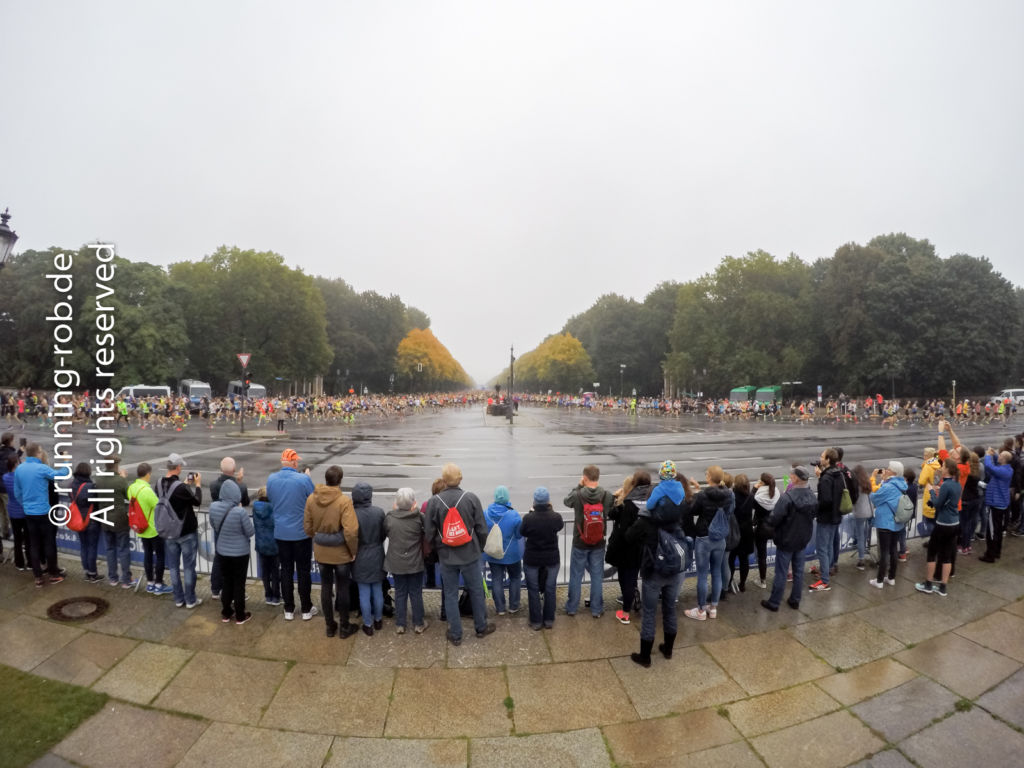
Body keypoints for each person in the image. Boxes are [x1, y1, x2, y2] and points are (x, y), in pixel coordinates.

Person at [424, 463, 494, 646]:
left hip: (447, 556)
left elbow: (429, 533)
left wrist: (437, 548)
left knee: (450, 593)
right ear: (460, 479)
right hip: (470, 554)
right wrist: (479, 548)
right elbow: (481, 528)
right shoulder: (471, 498)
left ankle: (455, 633)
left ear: (444, 480)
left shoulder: (434, 502)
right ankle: (481, 627)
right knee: (477, 591)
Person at [626, 472, 687, 667]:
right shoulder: (676, 518)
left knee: (649, 613)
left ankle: (645, 656)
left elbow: (629, 537)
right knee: (670, 609)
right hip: (674, 571)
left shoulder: (647, 520)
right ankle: (668, 649)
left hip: (653, 571)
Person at [303, 465, 359, 638]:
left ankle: (329, 626)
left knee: (325, 588)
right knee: (342, 589)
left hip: (321, 552)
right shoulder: (344, 501)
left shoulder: (312, 499)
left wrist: (318, 537)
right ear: (340, 480)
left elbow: (307, 526)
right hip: (340, 553)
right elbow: (350, 531)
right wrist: (353, 550)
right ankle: (344, 626)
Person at [266, 448, 317, 621]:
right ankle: (306, 608)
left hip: (281, 533)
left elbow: (272, 500)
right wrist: (308, 478)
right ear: (294, 462)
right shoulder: (303, 479)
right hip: (301, 534)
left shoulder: (271, 479)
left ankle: (288, 608)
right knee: (303, 571)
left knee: (286, 570)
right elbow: (314, 500)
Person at [760, 466, 817, 611]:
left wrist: (767, 525)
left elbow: (774, 518)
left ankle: (774, 602)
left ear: (796, 478)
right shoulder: (811, 495)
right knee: (798, 572)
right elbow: (814, 513)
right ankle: (795, 600)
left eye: (791, 475)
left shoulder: (788, 498)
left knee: (781, 572)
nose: (790, 477)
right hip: (802, 539)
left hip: (786, 539)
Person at [563, 464, 614, 618]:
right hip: (598, 542)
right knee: (597, 576)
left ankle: (572, 608)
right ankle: (596, 609)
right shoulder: (606, 495)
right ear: (597, 477)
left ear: (584, 478)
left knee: (576, 575)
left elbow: (566, 501)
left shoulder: (578, 495)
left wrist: (578, 486)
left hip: (580, 541)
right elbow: (612, 505)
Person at [684, 465, 732, 620]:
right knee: (716, 572)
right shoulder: (729, 494)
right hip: (720, 537)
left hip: (704, 536)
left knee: (703, 575)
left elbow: (693, 510)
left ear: (709, 478)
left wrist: (697, 494)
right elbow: (730, 511)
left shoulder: (704, 495)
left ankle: (700, 610)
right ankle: (714, 608)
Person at [13, 443, 65, 586]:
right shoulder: (42, 468)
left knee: (34, 544)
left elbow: (17, 492)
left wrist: (25, 504)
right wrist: (65, 461)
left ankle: (38, 577)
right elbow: (61, 475)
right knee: (48, 542)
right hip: (43, 511)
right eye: (41, 451)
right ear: (38, 453)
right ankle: (53, 573)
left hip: (29, 512)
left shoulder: (20, 469)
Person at [606, 469, 652, 624]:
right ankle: (630, 597)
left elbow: (622, 528)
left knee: (627, 578)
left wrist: (617, 498)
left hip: (627, 548)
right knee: (631, 576)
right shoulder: (650, 501)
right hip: (643, 546)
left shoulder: (629, 505)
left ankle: (625, 611)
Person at [159, 454, 203, 607]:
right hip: (185, 531)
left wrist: (183, 485)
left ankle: (178, 599)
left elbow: (171, 497)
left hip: (168, 531)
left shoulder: (158, 483)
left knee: (173, 567)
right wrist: (197, 485)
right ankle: (190, 599)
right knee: (189, 567)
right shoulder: (181, 488)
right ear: (178, 467)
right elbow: (197, 501)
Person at [209, 479, 254, 623]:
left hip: (222, 551)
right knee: (239, 584)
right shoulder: (239, 512)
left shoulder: (213, 507)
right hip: (240, 553)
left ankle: (226, 612)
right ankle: (240, 615)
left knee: (227, 581)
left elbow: (214, 525)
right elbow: (250, 531)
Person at [519, 487, 564, 630]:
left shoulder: (528, 518)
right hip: (551, 558)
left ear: (535, 502)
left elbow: (522, 532)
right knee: (550, 588)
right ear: (548, 501)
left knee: (533, 589)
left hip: (532, 558)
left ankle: (536, 621)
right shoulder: (555, 517)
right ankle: (549, 619)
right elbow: (559, 526)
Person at [915, 458, 961, 595]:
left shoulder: (946, 485)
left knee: (932, 553)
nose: (941, 468)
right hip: (954, 523)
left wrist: (931, 492)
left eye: (943, 466)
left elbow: (937, 504)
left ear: (947, 469)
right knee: (946, 555)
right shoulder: (956, 484)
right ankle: (943, 587)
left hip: (943, 524)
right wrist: (939, 491)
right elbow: (949, 499)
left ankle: (928, 584)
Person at [384, 487, 427, 634]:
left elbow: (385, 533)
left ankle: (400, 624)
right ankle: (418, 623)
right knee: (416, 592)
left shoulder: (390, 518)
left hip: (397, 562)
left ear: (396, 503)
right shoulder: (419, 518)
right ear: (413, 503)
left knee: (400, 592)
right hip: (415, 561)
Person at [208, 457, 250, 600]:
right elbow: (245, 502)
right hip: (235, 527)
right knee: (235, 563)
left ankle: (215, 588)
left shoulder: (213, 485)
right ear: (234, 470)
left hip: (219, 524)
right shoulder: (240, 486)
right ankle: (236, 593)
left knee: (219, 557)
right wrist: (239, 483)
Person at [128, 463, 173, 595]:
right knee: (160, 556)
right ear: (148, 474)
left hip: (141, 528)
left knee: (147, 555)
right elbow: (158, 505)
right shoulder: (147, 491)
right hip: (153, 528)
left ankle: (150, 583)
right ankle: (159, 585)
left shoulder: (131, 488)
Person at [481, 486, 524, 616]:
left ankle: (500, 608)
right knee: (515, 578)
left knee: (496, 579)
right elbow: (518, 535)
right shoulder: (513, 514)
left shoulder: (486, 513)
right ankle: (513, 606)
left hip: (493, 553)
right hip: (511, 554)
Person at [351, 482, 387, 636]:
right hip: (377, 553)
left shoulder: (352, 513)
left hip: (360, 555)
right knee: (377, 590)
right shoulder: (379, 512)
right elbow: (384, 533)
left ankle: (368, 624)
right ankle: (378, 620)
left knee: (364, 592)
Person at [94, 455, 133, 588]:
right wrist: (123, 478)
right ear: (116, 465)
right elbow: (129, 496)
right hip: (119, 519)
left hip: (104, 519)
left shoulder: (98, 479)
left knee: (110, 549)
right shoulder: (119, 481)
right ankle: (126, 579)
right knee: (123, 549)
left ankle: (113, 578)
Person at [810, 448, 844, 592]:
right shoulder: (839, 474)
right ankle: (827, 572)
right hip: (836, 516)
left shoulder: (826, 478)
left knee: (822, 549)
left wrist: (815, 509)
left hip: (826, 517)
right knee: (829, 546)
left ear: (828, 460)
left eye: (822, 456)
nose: (820, 458)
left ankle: (824, 580)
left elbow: (825, 500)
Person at [869, 462, 908, 588]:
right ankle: (891, 577)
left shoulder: (889, 486)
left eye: (888, 469)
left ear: (893, 472)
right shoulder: (901, 484)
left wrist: (873, 479)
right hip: (897, 522)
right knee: (893, 550)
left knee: (884, 552)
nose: (885, 470)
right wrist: (884, 481)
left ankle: (879, 580)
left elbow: (874, 498)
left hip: (885, 522)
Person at [978, 449, 1014, 563]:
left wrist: (988, 455)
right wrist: (995, 454)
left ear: (1003, 459)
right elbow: (1000, 461)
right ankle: (997, 552)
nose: (998, 457)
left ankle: (990, 555)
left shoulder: (1002, 471)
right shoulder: (1007, 468)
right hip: (1001, 504)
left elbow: (989, 467)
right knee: (998, 531)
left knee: (992, 532)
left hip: (996, 506)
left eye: (1000, 456)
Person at [70, 462, 102, 583]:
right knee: (92, 546)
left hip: (78, 519)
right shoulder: (90, 486)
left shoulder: (72, 485)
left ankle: (87, 571)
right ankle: (93, 573)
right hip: (91, 519)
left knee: (83, 545)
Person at [252, 487, 281, 606]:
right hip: (274, 544)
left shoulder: (255, 508)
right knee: (275, 572)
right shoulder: (274, 508)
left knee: (264, 571)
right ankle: (276, 596)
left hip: (261, 543)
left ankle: (268, 594)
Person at [751, 473, 781, 588]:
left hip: (761, 528)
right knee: (781, 551)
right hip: (774, 526)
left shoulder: (759, 496)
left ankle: (762, 580)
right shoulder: (777, 493)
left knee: (762, 556)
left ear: (762, 483)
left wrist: (754, 488)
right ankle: (781, 575)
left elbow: (750, 501)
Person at [729, 474, 755, 592]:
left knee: (731, 559)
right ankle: (742, 584)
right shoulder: (751, 497)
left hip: (734, 531)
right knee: (744, 559)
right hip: (747, 531)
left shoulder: (732, 497)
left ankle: (729, 583)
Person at [3, 455, 30, 571]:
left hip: (12, 511)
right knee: (28, 538)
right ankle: (30, 563)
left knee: (17, 539)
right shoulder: (22, 478)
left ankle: (19, 563)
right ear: (16, 465)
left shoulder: (5, 477)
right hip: (24, 511)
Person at [850, 465, 874, 570]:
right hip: (869, 511)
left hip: (859, 513)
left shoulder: (856, 485)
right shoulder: (867, 484)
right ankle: (864, 548)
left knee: (860, 536)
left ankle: (861, 559)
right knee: (864, 534)